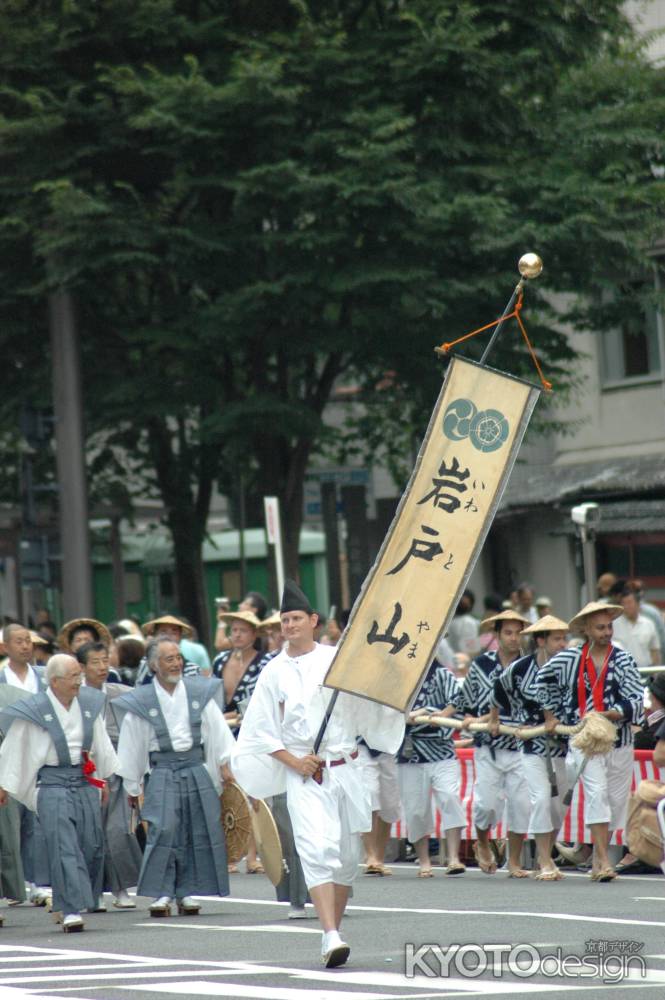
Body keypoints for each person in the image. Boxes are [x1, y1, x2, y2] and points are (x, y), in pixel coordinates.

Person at [233, 579, 405, 969]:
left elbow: (370, 702)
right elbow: (259, 730)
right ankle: (329, 934)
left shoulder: (339, 659)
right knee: (316, 849)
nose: (289, 625)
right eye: (284, 620)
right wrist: (294, 762)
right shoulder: (273, 672)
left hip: (347, 768)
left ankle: (335, 930)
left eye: (296, 618)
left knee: (346, 857)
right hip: (305, 775)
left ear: (313, 620)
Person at [115, 636, 234, 917]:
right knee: (163, 829)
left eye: (179, 657)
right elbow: (132, 744)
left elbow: (218, 733)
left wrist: (225, 764)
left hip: (195, 768)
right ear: (154, 665)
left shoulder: (198, 694)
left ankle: (187, 890)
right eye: (169, 658)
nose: (177, 663)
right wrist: (133, 786)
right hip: (162, 771)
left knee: (197, 828)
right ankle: (163, 891)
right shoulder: (142, 701)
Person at [0, 654, 117, 931]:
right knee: (63, 846)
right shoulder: (35, 710)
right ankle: (71, 909)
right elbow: (15, 749)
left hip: (85, 779)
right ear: (54, 681)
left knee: (91, 844)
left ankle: (71, 900)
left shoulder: (89, 704)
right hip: (52, 784)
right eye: (73, 677)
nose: (79, 682)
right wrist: (3, 784)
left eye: (79, 675)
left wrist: (103, 780)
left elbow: (100, 745)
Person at [535, 601, 644, 882]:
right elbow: (541, 680)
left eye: (609, 626)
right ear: (586, 630)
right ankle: (605, 860)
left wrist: (610, 713)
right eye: (600, 627)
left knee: (616, 801)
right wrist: (553, 715)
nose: (607, 632)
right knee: (596, 794)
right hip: (584, 739)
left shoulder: (623, 659)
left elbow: (636, 699)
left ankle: (598, 859)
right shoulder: (570, 658)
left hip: (619, 739)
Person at [489, 615, 571, 880]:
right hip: (531, 741)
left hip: (563, 743)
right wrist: (495, 718)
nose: (562, 644)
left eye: (564, 638)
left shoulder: (570, 665)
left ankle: (544, 854)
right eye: (557, 638)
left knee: (559, 806)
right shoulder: (521, 667)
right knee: (541, 798)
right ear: (541, 640)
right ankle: (545, 859)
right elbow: (497, 691)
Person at [460, 610, 531, 877]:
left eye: (518, 633)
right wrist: (470, 716)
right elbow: (466, 700)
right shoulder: (481, 664)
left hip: (520, 744)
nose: (514, 639)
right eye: (508, 633)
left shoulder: (530, 665)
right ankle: (483, 841)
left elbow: (534, 703)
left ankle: (514, 860)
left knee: (521, 804)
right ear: (498, 635)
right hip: (487, 744)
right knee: (485, 805)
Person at [77, 641, 142, 910]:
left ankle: (120, 888)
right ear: (81, 667)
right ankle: (92, 892)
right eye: (95, 662)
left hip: (116, 767)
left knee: (117, 830)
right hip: (84, 770)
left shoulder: (120, 693)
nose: (103, 667)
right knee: (89, 833)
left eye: (105, 660)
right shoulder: (73, 696)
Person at [398, 659, 466, 878]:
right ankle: (424, 860)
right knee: (415, 809)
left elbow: (459, 698)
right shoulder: (400, 674)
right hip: (410, 750)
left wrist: (442, 714)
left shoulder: (442, 673)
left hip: (441, 748)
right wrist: (411, 716)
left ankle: (454, 857)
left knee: (450, 797)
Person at [0, 624, 50, 905]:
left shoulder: (43, 678)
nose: (26, 646)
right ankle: (13, 882)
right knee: (10, 824)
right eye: (19, 641)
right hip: (7, 756)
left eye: (29, 641)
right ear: (4, 647)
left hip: (39, 755)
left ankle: (36, 881)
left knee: (36, 822)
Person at [212, 609, 265, 874]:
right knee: (227, 792)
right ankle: (231, 852)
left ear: (254, 634)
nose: (237, 635)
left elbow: (259, 701)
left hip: (249, 730)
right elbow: (211, 694)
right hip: (223, 730)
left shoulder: (263, 662)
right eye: (233, 630)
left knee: (252, 792)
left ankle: (254, 855)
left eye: (243, 630)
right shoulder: (221, 659)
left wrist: (230, 715)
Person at [610, 581, 660, 669]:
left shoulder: (648, 624)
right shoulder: (613, 624)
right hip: (622, 671)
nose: (627, 606)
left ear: (637, 604)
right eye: (623, 603)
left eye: (629, 602)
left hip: (646, 671)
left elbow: (654, 650)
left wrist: (655, 671)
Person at [136, 615, 200, 684]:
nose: (168, 636)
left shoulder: (192, 669)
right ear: (155, 636)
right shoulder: (146, 663)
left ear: (180, 637)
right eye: (163, 632)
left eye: (174, 633)